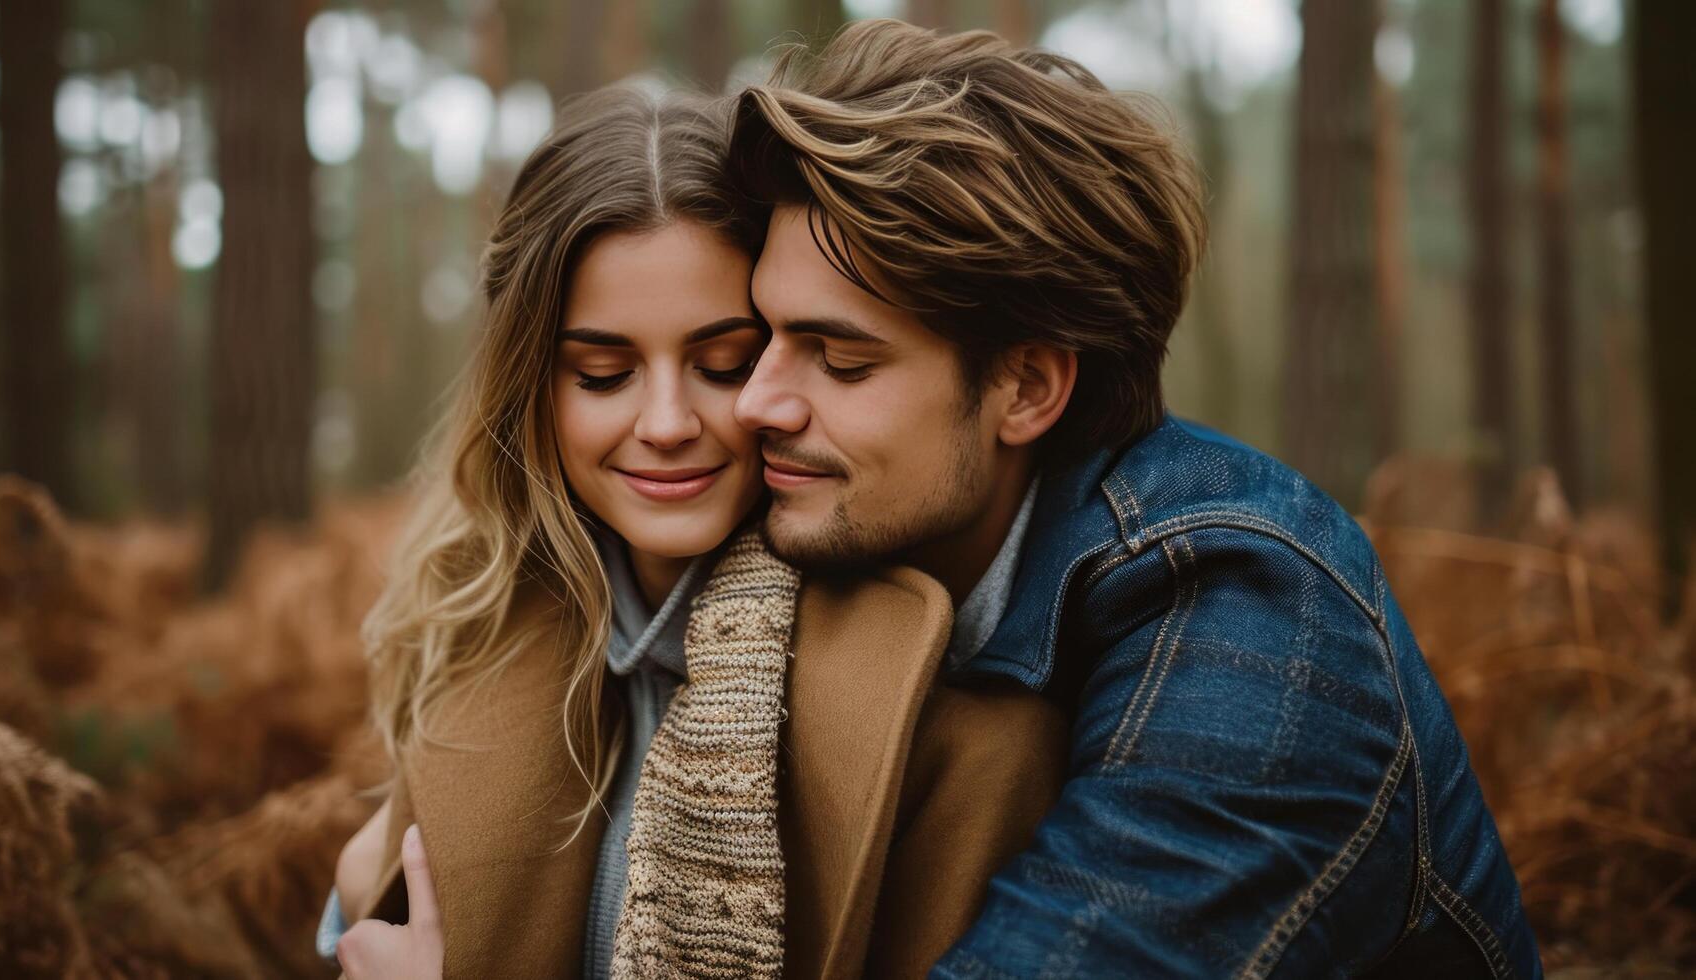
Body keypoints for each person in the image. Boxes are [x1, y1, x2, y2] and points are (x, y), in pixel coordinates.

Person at [724, 19, 1543, 978]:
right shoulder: (828, 546)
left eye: (841, 359)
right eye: (760, 337)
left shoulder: (1253, 600)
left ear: (1026, 388)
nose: (755, 402)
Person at [319, 85, 1067, 979]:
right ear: (532, 392)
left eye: (725, 363)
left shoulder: (954, 723)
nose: (668, 422)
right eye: (601, 374)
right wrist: (351, 893)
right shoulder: (476, 630)